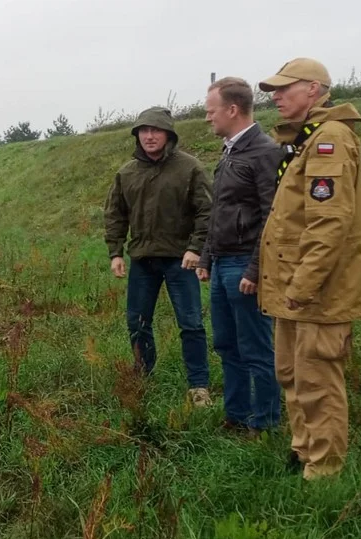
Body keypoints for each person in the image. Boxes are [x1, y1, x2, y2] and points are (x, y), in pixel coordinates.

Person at [256, 58, 361, 479]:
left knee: (318, 379)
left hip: (319, 289)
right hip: (293, 287)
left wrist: (302, 284)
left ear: (316, 89)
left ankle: (324, 472)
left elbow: (329, 222)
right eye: (274, 90)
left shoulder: (330, 139)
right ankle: (303, 450)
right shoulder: (305, 139)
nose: (276, 96)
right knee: (292, 373)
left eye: (286, 88)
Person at [104, 106, 214, 407]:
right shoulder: (126, 173)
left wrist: (195, 248)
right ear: (137, 136)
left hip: (181, 260)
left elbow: (207, 211)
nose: (149, 136)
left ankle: (199, 386)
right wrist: (116, 252)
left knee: (190, 323)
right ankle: (142, 376)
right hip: (142, 260)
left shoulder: (190, 168)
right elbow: (115, 215)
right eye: (143, 131)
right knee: (137, 322)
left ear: (168, 135)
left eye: (156, 130)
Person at [196, 77, 282, 437]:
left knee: (256, 348)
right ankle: (236, 415)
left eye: (210, 111)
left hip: (245, 266)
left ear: (232, 110)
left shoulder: (264, 152)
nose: (206, 118)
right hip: (222, 263)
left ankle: (264, 422)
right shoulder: (230, 151)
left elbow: (272, 216)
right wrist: (205, 257)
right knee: (227, 345)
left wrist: (255, 268)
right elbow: (221, 211)